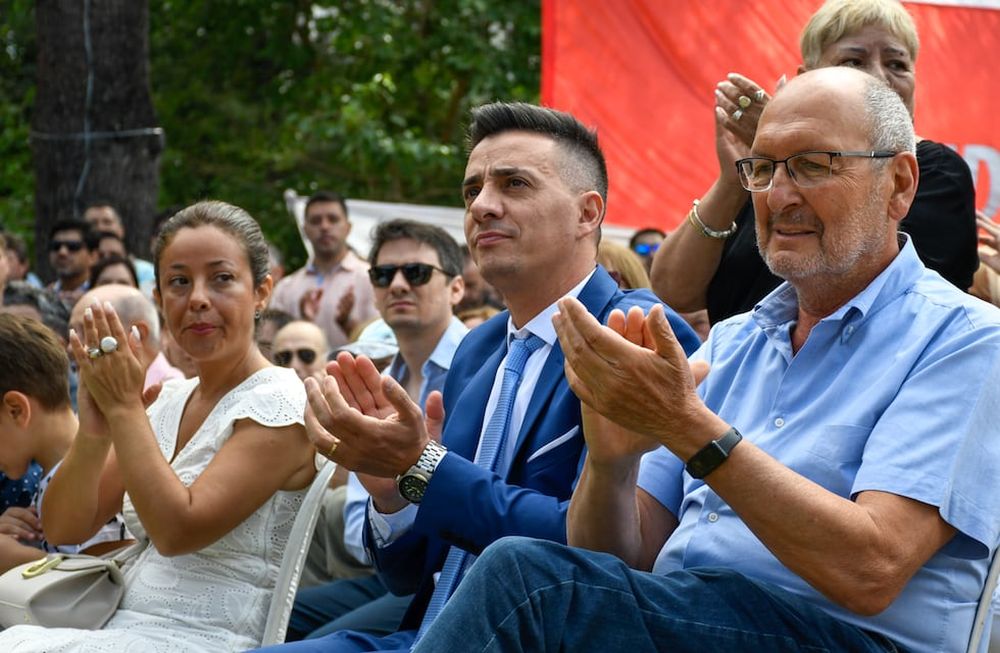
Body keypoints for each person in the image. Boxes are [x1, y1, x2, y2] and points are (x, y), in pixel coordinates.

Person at [412, 68, 1000, 653]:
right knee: (530, 574)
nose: (778, 194)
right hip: (684, 617)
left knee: (521, 578)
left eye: (813, 164)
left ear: (898, 183)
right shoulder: (734, 341)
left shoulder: (966, 338)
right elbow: (612, 562)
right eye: (763, 168)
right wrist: (611, 462)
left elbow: (872, 568)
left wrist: (687, 426)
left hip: (846, 637)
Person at [257, 102, 700, 653]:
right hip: (423, 634)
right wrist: (393, 495)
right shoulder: (478, 349)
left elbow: (596, 554)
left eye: (514, 184)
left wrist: (422, 467)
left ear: (588, 213)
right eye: (471, 191)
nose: (483, 206)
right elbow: (411, 575)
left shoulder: (636, 334)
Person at [0, 200, 316, 651]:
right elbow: (66, 527)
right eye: (179, 282)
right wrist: (94, 428)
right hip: (119, 621)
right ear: (160, 299)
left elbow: (176, 532)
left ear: (262, 291)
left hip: (204, 638)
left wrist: (126, 409)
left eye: (222, 278)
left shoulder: (282, 403)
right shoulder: (169, 399)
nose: (198, 298)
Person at [652, 0, 978, 324]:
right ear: (805, 78)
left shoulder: (936, 171)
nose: (880, 76)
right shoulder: (764, 176)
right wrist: (737, 177)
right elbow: (673, 291)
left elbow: (869, 294)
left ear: (902, 183)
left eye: (897, 64)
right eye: (853, 62)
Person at [289, 219, 469, 642]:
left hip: (451, 573)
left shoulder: (479, 367)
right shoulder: (380, 376)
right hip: (385, 569)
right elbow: (359, 520)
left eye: (417, 272)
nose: (399, 285)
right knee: (268, 614)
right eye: (384, 275)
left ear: (457, 289)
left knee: (310, 642)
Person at [0, 313, 129, 572]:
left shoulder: (97, 475)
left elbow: (111, 578)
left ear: (16, 410)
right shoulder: (55, 474)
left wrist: (24, 561)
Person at [270, 191, 378, 349]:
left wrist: (348, 324)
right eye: (316, 221)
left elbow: (382, 345)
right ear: (305, 229)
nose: (325, 226)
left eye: (333, 219)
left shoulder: (371, 279)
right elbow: (273, 346)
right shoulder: (286, 289)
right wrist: (303, 324)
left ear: (348, 227)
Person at [69, 284, 184, 393]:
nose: (71, 348)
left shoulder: (173, 394)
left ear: (138, 334)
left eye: (88, 331)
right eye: (73, 333)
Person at [83, 201, 156, 295]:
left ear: (121, 229)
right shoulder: (75, 272)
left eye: (107, 222)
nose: (100, 228)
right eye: (93, 223)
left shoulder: (146, 272)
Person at [46, 218, 97, 307]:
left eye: (73, 246)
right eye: (56, 246)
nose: (62, 252)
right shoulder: (43, 297)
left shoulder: (100, 295)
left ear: (92, 256)